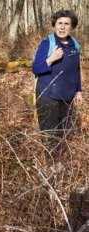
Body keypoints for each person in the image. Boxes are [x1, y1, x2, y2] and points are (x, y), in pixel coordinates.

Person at [32, 9, 83, 162]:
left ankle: (60, 162)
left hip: (67, 97)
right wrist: (51, 59)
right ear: (54, 25)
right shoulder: (48, 43)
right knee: (50, 134)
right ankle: (51, 166)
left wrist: (78, 91)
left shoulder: (75, 45)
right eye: (59, 23)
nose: (62, 27)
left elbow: (76, 70)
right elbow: (36, 68)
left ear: (72, 26)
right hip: (48, 95)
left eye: (66, 24)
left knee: (63, 132)